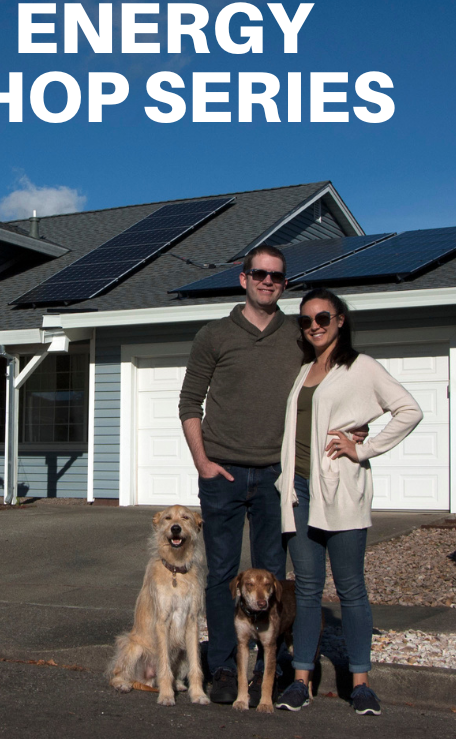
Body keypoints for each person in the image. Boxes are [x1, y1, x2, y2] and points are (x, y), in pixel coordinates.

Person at [178, 245, 368, 705]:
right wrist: (203, 463)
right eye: (259, 274)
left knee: (273, 577)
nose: (268, 281)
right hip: (221, 473)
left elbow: (335, 375)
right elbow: (189, 403)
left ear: (285, 283)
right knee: (223, 572)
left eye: (277, 276)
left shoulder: (299, 334)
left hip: (277, 477)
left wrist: (357, 424)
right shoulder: (214, 335)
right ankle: (224, 665)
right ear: (243, 279)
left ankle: (273, 665)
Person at [273, 288, 423, 716]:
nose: (314, 325)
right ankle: (301, 679)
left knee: (351, 588)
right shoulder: (304, 370)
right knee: (305, 590)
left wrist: (363, 448)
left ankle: (360, 683)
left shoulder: (361, 368)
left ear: (340, 319)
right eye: (306, 320)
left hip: (340, 492)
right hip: (300, 491)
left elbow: (408, 411)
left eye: (323, 317)